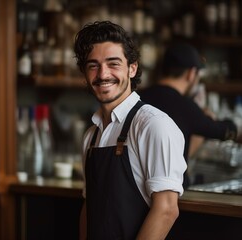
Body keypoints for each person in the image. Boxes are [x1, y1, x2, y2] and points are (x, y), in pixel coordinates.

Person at [73, 21, 187, 240]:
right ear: (85, 73)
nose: (103, 74)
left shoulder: (153, 125)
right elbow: (90, 207)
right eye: (93, 65)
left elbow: (166, 210)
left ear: (132, 68)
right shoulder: (91, 135)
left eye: (113, 63)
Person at [139, 42, 238, 188]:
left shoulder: (137, 97)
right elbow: (225, 132)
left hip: (136, 191)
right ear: (191, 74)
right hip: (172, 193)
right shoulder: (185, 106)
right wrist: (222, 121)